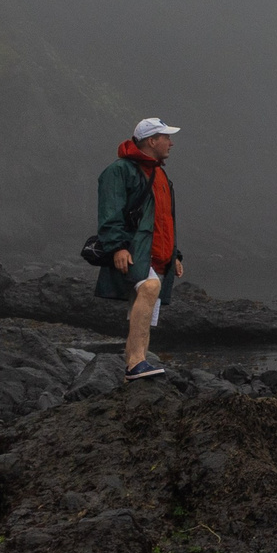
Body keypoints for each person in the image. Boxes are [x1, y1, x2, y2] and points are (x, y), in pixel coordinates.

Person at [96, 118, 184, 379]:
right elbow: (110, 212)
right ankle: (135, 363)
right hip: (134, 250)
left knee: (146, 302)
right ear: (151, 140)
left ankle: (137, 365)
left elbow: (164, 219)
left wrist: (174, 255)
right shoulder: (119, 171)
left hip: (156, 254)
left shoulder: (159, 173)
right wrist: (118, 247)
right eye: (166, 137)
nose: (171, 142)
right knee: (149, 287)